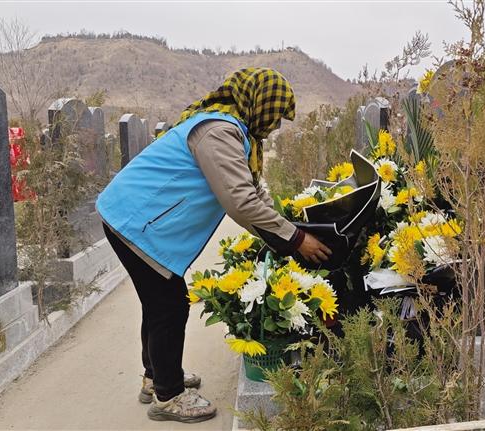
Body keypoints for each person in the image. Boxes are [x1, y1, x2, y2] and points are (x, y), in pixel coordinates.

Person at [96, 68, 332, 423]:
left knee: (159, 301)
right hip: (136, 220)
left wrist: (284, 227)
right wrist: (297, 240)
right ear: (258, 102)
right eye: (275, 114)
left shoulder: (233, 132)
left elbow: (253, 193)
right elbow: (240, 202)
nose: (275, 125)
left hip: (135, 218)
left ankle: (156, 378)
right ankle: (169, 395)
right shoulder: (218, 132)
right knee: (168, 305)